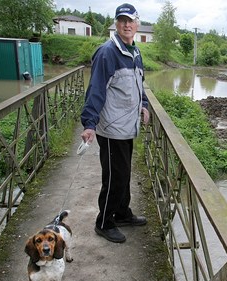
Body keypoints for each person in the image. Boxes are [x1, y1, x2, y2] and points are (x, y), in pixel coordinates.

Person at [80, 3, 150, 243]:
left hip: (128, 127)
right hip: (111, 129)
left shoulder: (135, 52)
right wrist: (89, 123)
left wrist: (144, 105)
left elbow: (139, 85)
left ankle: (121, 213)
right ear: (116, 24)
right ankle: (104, 222)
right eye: (122, 21)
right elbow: (96, 90)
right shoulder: (107, 52)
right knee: (114, 177)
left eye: (130, 21)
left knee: (124, 174)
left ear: (137, 24)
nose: (126, 25)